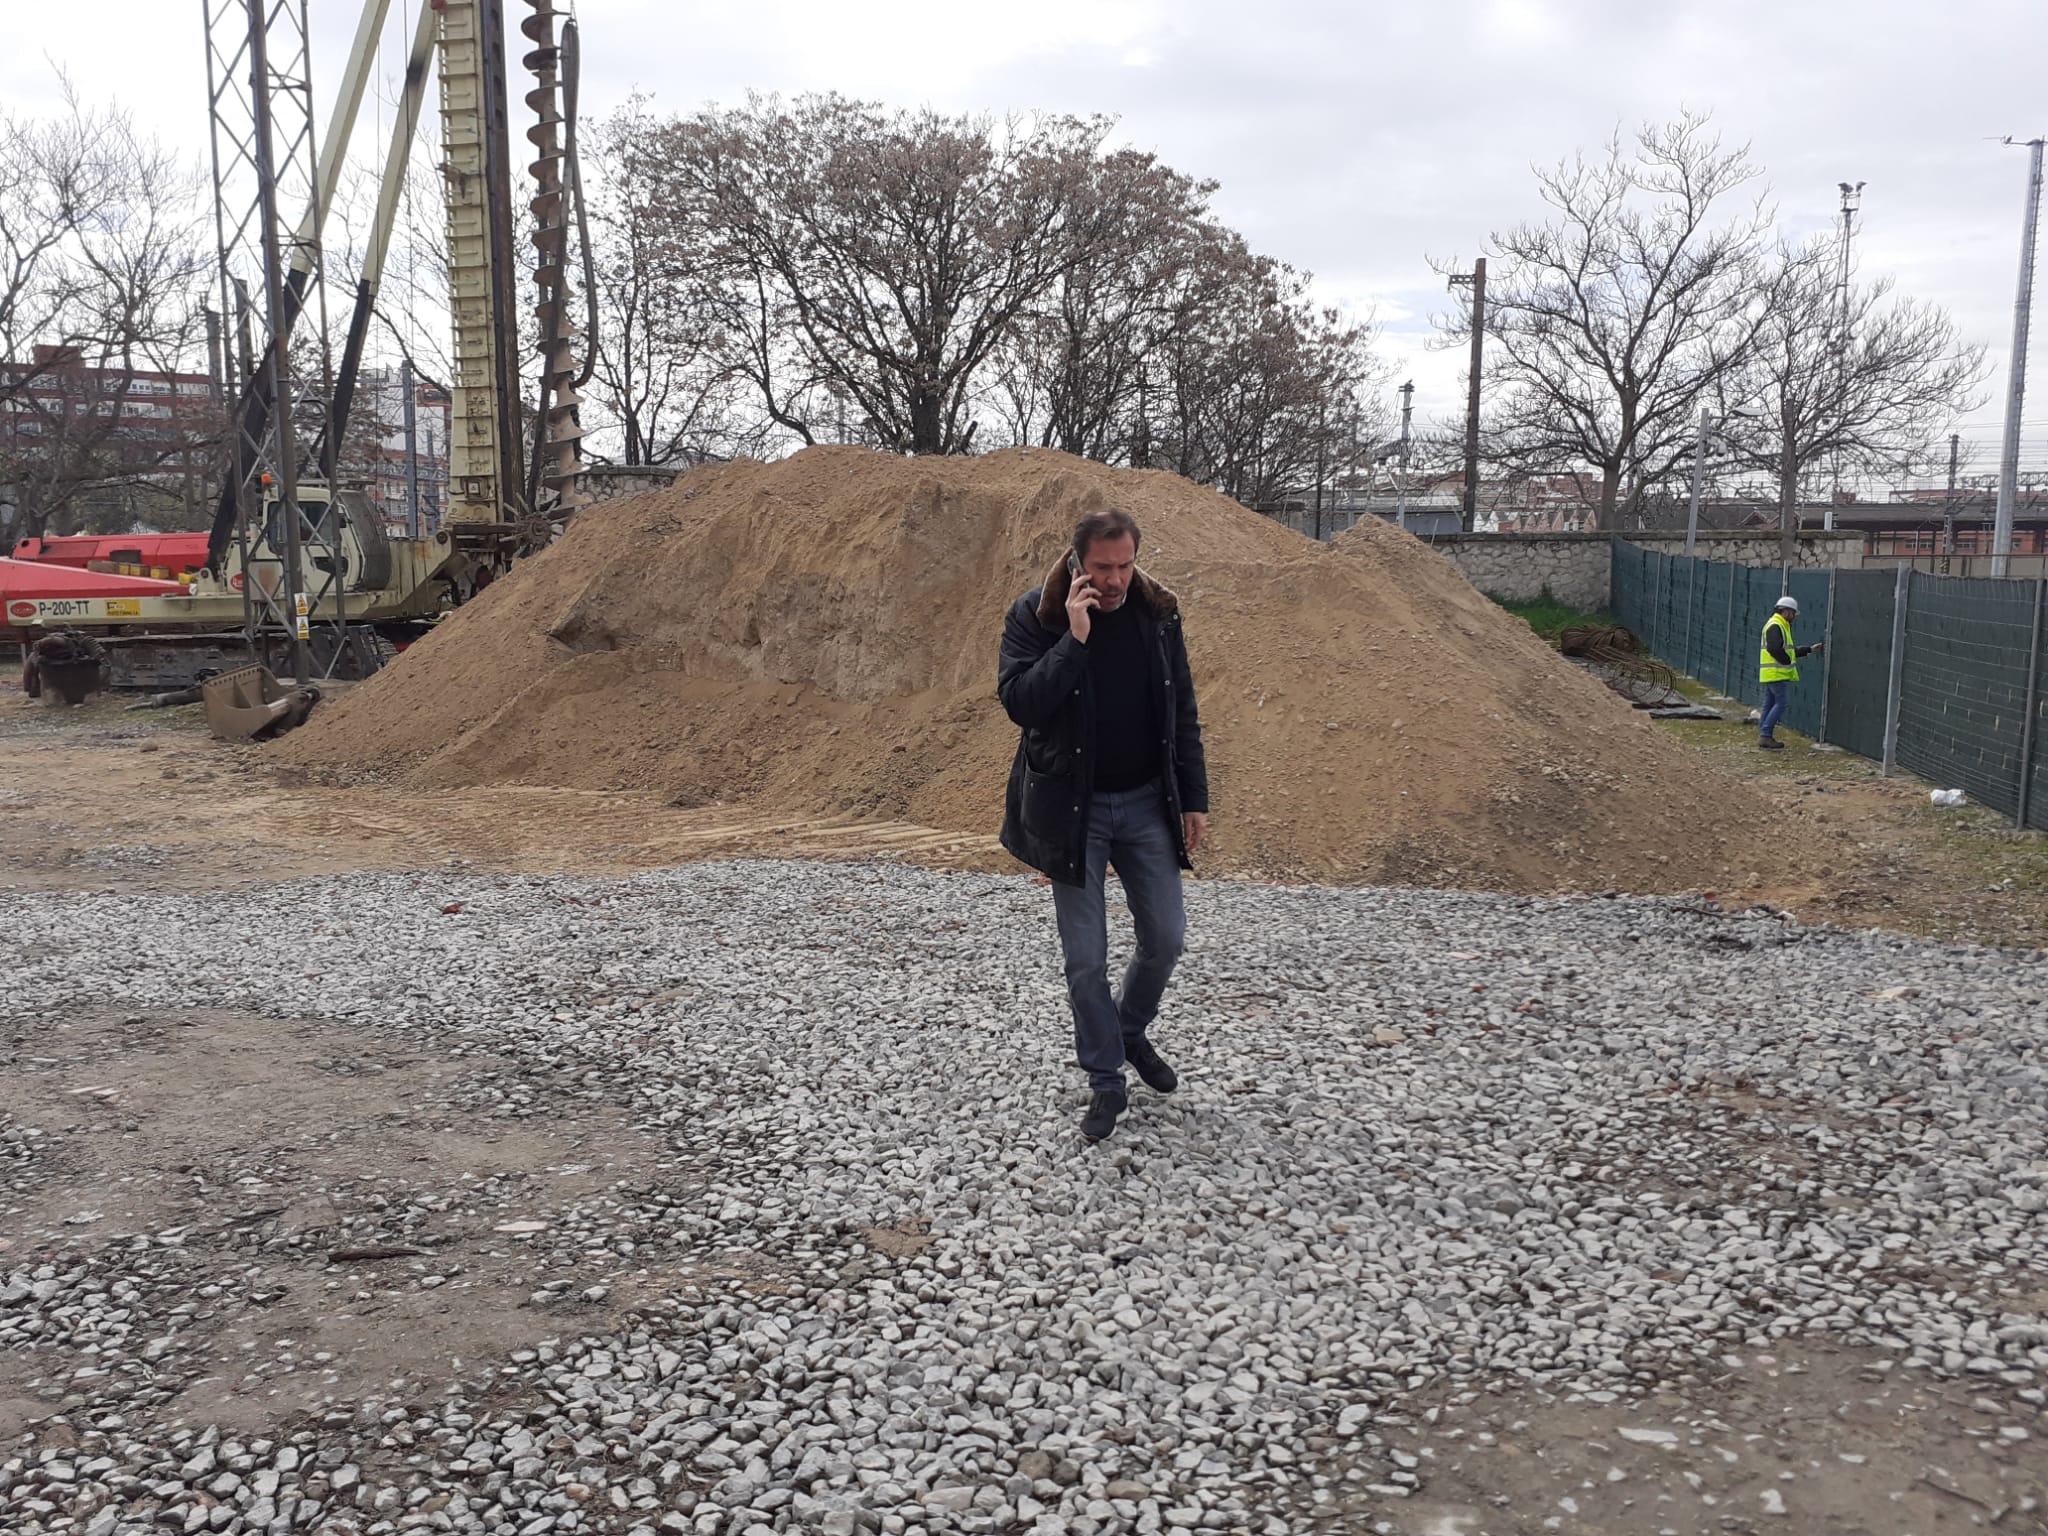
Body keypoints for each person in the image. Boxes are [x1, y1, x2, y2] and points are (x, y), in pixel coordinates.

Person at [998, 508, 1209, 1144]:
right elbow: (1022, 704)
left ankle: (1129, 1028)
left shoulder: (1157, 613)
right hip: (1075, 811)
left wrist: (1193, 798)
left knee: (1166, 939)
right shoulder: (1035, 615)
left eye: (1124, 566)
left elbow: (1183, 712)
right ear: (1076, 562)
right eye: (1101, 568)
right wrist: (1076, 638)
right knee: (1084, 960)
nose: (1114, 580)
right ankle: (1106, 1078)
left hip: (1147, 803)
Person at [1758, 595, 1823, 751]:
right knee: (1781, 703)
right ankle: (1765, 735)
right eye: (1793, 613)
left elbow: (1787, 650)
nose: (1794, 617)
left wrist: (1809, 650)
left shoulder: (1777, 624)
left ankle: (1764, 734)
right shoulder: (1776, 625)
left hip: (1771, 673)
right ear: (1786, 611)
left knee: (1769, 703)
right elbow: (1775, 649)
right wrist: (1786, 661)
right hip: (1777, 673)